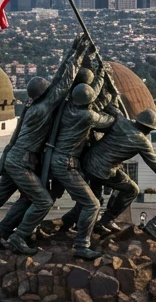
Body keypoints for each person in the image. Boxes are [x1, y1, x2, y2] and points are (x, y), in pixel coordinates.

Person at [0, 35, 89, 254]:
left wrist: (72, 52)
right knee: (43, 201)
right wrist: (78, 55)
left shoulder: (31, 106)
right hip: (22, 162)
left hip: (14, 158)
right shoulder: (42, 109)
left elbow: (57, 81)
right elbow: (63, 84)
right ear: (43, 94)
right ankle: (19, 237)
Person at [82, 109, 156, 244]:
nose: (149, 132)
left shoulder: (120, 119)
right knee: (131, 190)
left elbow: (110, 108)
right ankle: (106, 220)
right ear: (147, 127)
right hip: (101, 170)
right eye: (150, 129)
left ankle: (101, 221)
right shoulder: (141, 140)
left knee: (102, 194)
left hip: (89, 161)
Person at [42, 73, 116, 259]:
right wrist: (110, 97)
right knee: (92, 205)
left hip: (55, 160)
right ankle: (82, 245)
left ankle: (64, 222)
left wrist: (99, 77)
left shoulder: (66, 108)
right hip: (66, 164)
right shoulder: (88, 116)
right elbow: (109, 121)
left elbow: (88, 95)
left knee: (50, 198)